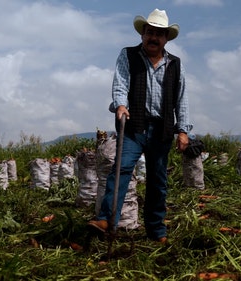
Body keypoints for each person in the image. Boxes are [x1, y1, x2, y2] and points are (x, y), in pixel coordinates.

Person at [88, 8, 192, 244]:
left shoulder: (175, 65)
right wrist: (120, 105)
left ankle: (156, 232)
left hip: (161, 130)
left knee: (158, 181)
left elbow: (181, 99)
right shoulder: (129, 55)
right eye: (149, 33)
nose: (153, 38)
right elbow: (120, 84)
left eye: (158, 34)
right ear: (142, 34)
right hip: (134, 127)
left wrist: (183, 130)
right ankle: (106, 220)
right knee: (121, 170)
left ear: (166, 38)